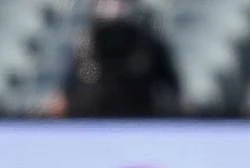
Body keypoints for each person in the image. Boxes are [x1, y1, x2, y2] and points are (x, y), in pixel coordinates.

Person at [48, 0, 181, 118]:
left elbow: (172, 91)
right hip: (92, 122)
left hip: (139, 122)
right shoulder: (85, 44)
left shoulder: (149, 44)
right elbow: (67, 90)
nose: (113, 6)